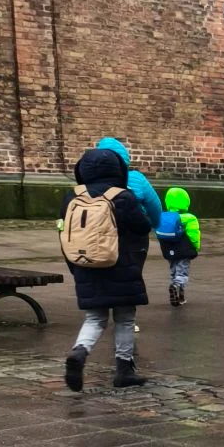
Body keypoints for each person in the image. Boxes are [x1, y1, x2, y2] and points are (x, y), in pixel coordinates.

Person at [60, 143, 150, 390]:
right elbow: (143, 227)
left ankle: (80, 351)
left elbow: (65, 232)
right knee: (124, 318)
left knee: (94, 317)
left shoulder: (72, 197)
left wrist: (75, 267)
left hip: (85, 265)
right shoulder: (123, 196)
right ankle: (124, 371)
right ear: (118, 169)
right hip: (121, 266)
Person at [94, 134, 163, 231]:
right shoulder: (137, 178)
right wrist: (154, 224)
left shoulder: (90, 179)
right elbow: (154, 206)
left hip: (99, 234)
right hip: (133, 233)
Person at [157, 186, 200, 306]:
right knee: (182, 272)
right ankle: (177, 286)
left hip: (169, 250)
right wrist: (195, 247)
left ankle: (179, 295)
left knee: (174, 271)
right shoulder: (189, 218)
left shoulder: (163, 217)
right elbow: (194, 234)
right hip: (184, 250)